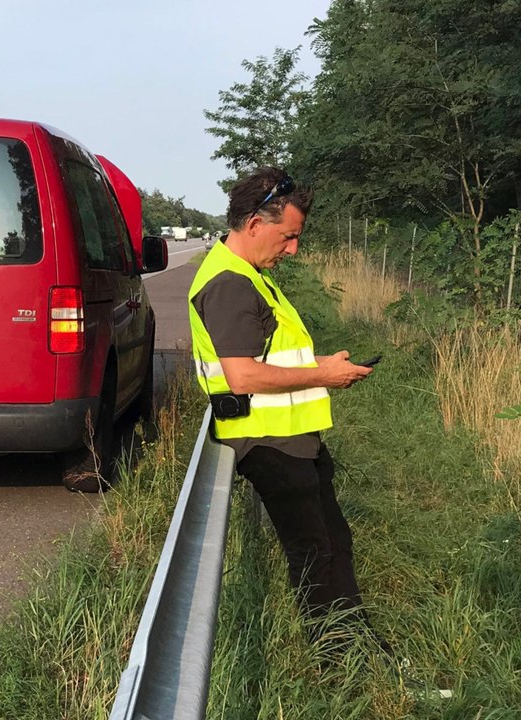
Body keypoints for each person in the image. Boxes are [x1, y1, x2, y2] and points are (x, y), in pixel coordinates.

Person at [187, 167, 387, 653]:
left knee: (332, 542)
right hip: (268, 442)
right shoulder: (231, 283)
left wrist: (323, 363)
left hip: (293, 437)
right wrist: (323, 376)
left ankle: (355, 636)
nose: (293, 249)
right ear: (255, 224)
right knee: (314, 550)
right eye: (288, 236)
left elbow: (271, 356)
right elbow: (244, 376)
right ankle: (337, 655)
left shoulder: (249, 275)